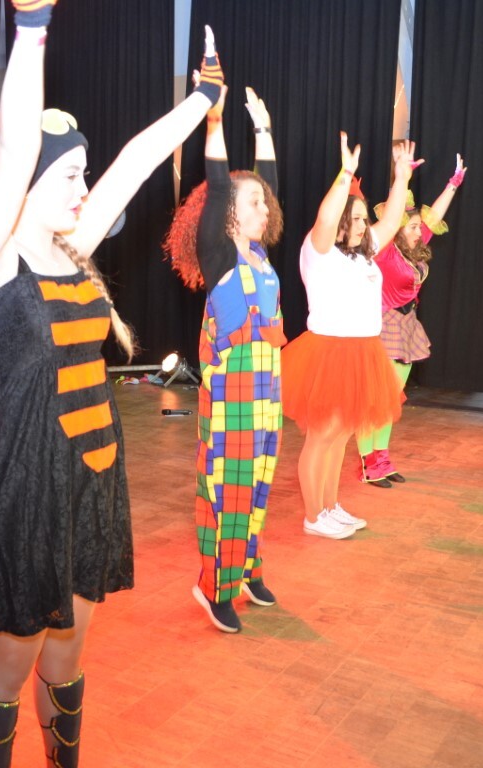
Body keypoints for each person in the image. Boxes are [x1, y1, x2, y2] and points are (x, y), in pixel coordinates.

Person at [0, 3, 225, 765]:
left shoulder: (72, 247)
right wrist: (32, 26)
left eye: (82, 175)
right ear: (25, 182)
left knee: (68, 652)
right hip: (24, 477)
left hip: (93, 465)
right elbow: (15, 151)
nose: (85, 187)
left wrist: (204, 98)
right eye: (69, 175)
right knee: (11, 662)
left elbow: (136, 160)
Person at [164, 86, 285, 634]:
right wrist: (214, 121)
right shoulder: (220, 256)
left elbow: (268, 184)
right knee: (228, 492)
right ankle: (215, 586)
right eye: (253, 203)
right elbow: (218, 185)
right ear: (229, 215)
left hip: (267, 392)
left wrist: (263, 130)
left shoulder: (260, 255)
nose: (265, 208)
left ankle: (248, 570)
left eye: (264, 202)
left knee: (258, 484)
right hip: (233, 396)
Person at [280, 134, 419, 539]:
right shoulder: (319, 250)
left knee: (340, 438)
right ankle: (313, 516)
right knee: (322, 437)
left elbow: (390, 221)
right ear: (340, 221)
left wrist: (401, 177)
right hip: (329, 353)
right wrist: (345, 175)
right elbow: (326, 218)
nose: (363, 225)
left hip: (362, 352)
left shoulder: (363, 253)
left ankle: (330, 506)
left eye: (362, 219)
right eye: (355, 219)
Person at [356, 152, 467, 487]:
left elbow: (435, 218)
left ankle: (382, 459)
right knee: (375, 401)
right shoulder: (384, 249)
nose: (421, 231)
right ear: (399, 228)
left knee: (391, 402)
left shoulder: (413, 248)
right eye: (414, 226)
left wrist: (453, 184)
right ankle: (367, 464)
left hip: (407, 327)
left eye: (420, 226)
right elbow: (392, 217)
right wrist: (400, 178)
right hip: (383, 326)